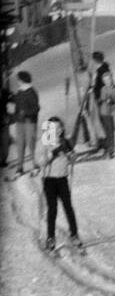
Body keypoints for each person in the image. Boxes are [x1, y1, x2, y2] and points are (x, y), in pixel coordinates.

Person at [35, 116, 81, 253]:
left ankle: (74, 234)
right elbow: (40, 162)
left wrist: (70, 155)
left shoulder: (65, 142)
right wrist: (52, 154)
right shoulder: (43, 143)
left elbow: (73, 159)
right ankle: (50, 237)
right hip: (49, 179)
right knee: (52, 208)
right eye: (55, 128)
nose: (59, 130)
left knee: (68, 207)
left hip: (62, 178)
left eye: (60, 127)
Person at [8, 70, 40, 176]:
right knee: (20, 145)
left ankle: (35, 165)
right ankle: (19, 167)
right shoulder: (19, 92)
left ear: (23, 80)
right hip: (20, 123)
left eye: (18, 79)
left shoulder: (31, 91)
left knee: (31, 143)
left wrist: (26, 113)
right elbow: (16, 105)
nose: (17, 81)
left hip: (29, 122)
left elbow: (36, 108)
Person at [97, 69, 115, 159]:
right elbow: (105, 98)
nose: (108, 82)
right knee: (109, 131)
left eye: (109, 79)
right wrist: (110, 100)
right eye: (105, 80)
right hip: (106, 113)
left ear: (112, 79)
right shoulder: (103, 89)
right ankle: (111, 149)